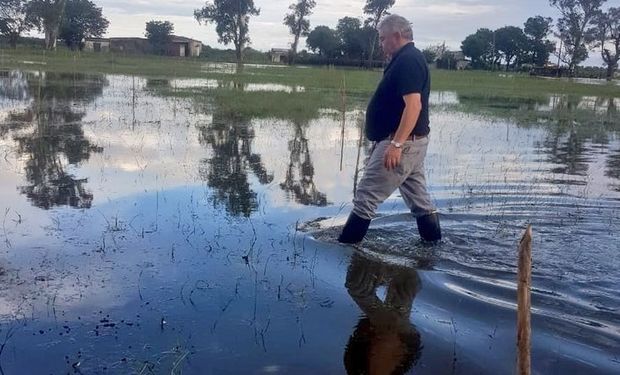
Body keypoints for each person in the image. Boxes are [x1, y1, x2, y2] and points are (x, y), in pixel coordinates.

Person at [338, 14, 441, 244]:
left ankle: (345, 249)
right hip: (411, 144)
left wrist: (396, 144)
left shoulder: (408, 61)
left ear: (397, 36)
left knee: (366, 199)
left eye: (383, 39)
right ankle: (434, 249)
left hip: (402, 144)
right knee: (420, 203)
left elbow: (414, 106)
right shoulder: (407, 58)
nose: (382, 45)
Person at [343, 254, 422, 374]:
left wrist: (383, 319)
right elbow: (409, 279)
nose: (402, 353)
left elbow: (357, 285)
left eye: (392, 356)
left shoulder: (358, 286)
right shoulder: (404, 294)